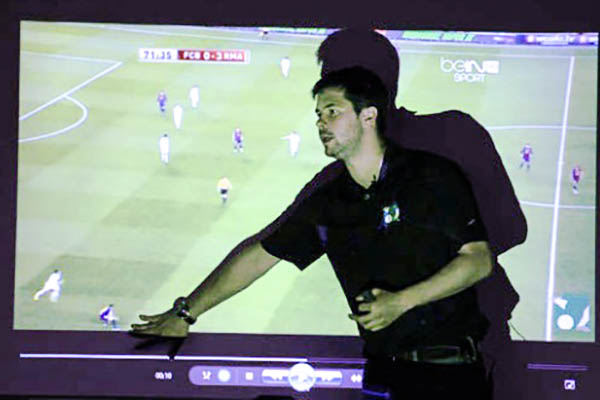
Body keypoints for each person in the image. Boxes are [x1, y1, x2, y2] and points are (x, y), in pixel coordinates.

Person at [131, 67, 494, 399]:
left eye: (332, 111)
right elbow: (258, 257)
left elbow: (478, 260)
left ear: (368, 116)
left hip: (450, 376)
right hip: (382, 374)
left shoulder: (430, 176)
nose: (321, 123)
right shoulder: (329, 203)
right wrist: (186, 313)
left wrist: (401, 302)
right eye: (318, 114)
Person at [316, 28, 526, 400]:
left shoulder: (344, 177)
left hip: (466, 354)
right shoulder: (457, 131)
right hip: (447, 352)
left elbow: (508, 231)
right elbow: (511, 229)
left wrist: (421, 282)